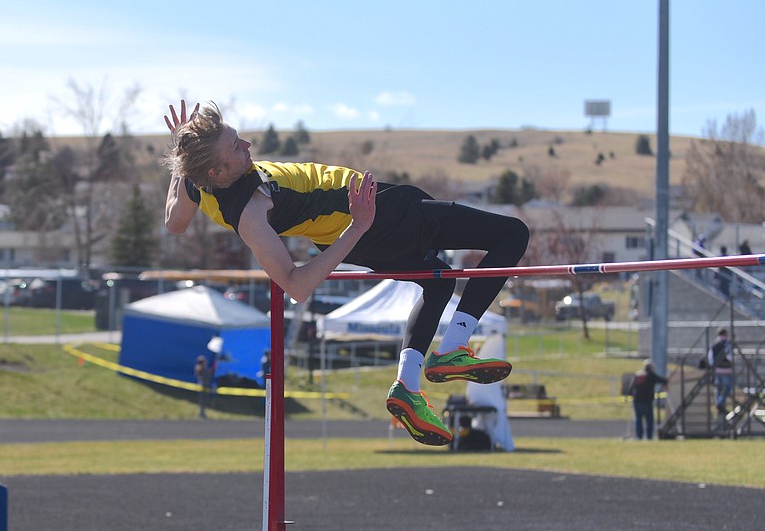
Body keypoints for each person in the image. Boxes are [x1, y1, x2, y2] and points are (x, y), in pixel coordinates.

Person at [163, 100, 528, 446]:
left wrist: (182, 159)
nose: (247, 144)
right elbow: (297, 286)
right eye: (236, 147)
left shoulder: (200, 183)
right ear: (218, 170)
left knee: (437, 281)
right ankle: (452, 349)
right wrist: (359, 226)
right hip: (375, 217)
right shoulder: (251, 213)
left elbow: (174, 222)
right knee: (511, 234)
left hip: (361, 228)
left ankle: (408, 384)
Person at [628, 359, 667, 441]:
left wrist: (630, 395)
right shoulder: (650, 375)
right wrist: (667, 381)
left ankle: (639, 436)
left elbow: (631, 388)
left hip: (637, 401)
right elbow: (662, 380)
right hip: (647, 401)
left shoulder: (638, 374)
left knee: (638, 419)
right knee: (649, 420)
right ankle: (649, 437)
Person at [708, 328, 735, 417]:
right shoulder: (728, 343)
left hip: (717, 370)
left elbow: (710, 358)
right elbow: (730, 356)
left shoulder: (714, 344)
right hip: (726, 369)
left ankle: (719, 405)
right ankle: (720, 402)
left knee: (718, 389)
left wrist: (714, 366)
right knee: (727, 388)